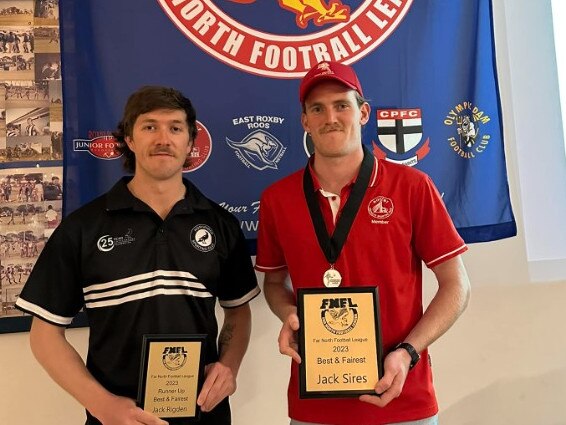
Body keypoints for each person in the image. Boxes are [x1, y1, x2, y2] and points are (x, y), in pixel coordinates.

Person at [16, 86, 260, 425]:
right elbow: (44, 335)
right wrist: (102, 405)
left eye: (175, 128)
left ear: (191, 142)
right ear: (129, 139)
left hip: (204, 414)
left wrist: (229, 367)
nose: (163, 138)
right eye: (149, 126)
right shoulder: (83, 227)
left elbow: (238, 314)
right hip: (116, 418)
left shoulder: (221, 224)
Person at [255, 61, 471, 425]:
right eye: (317, 109)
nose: (331, 117)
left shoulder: (412, 187)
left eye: (342, 105)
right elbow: (274, 283)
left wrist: (407, 352)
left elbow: (457, 285)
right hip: (315, 404)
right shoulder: (278, 198)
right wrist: (289, 315)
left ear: (363, 112)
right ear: (305, 121)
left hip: (402, 397)